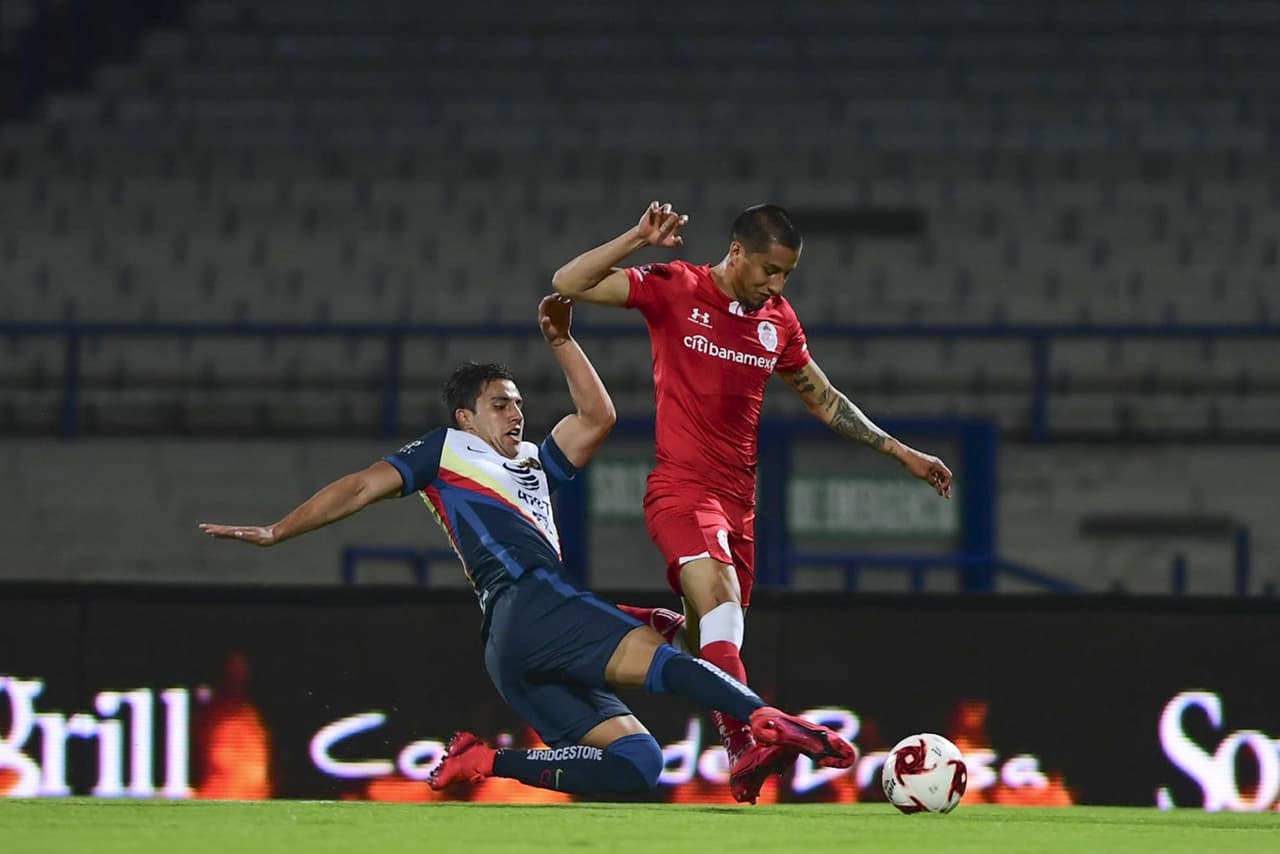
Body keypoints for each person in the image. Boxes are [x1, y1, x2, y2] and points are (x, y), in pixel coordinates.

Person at [199, 295, 856, 800]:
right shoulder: (445, 449)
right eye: (499, 405)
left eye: (517, 404)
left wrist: (563, 341)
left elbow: (599, 418)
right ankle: (766, 720)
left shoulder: (537, 466)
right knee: (664, 653)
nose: (515, 414)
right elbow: (359, 487)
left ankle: (486, 763)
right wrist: (280, 529)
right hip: (532, 602)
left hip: (513, 646)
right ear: (465, 417)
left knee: (637, 766)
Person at [551, 202, 954, 802]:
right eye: (769, 270)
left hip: (741, 504)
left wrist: (902, 453)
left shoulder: (778, 321)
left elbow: (825, 399)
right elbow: (567, 284)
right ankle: (744, 743)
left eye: (787, 275)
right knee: (722, 600)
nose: (777, 284)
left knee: (712, 634)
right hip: (682, 489)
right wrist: (637, 238)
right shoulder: (676, 288)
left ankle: (616, 625)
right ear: (737, 251)